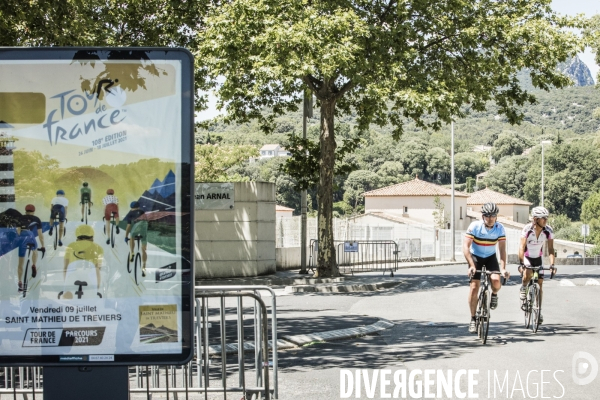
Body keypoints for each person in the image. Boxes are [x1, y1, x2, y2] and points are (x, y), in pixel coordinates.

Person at [463, 202, 510, 334]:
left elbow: (502, 249)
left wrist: (503, 268)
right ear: (483, 216)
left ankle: (494, 294)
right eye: (488, 216)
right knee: (474, 288)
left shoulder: (500, 228)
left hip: (490, 257)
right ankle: (473, 319)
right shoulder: (475, 226)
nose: (490, 219)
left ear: (496, 217)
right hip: (476, 257)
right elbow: (466, 247)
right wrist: (471, 265)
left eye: (493, 216)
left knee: (496, 281)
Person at [518, 206, 556, 324]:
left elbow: (550, 249)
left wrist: (552, 265)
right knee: (528, 273)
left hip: (538, 257)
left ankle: (539, 311)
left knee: (540, 284)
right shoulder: (527, 229)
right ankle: (524, 286)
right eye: (543, 218)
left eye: (546, 218)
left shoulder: (548, 231)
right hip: (527, 256)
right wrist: (521, 264)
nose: (545, 220)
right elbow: (521, 247)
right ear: (535, 219)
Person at [62, 224, 104, 299]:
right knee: (90, 299)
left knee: (68, 301)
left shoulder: (70, 246)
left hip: (72, 275)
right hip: (89, 276)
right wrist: (97, 289)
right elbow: (97, 269)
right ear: (91, 238)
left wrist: (66, 284)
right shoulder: (98, 248)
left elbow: (65, 267)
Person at [16, 205, 45, 291]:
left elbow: (18, 231)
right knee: (35, 251)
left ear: (25, 210)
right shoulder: (36, 219)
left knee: (20, 265)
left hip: (22, 239)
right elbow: (40, 235)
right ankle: (33, 265)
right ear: (34, 211)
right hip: (30, 237)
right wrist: (43, 246)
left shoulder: (20, 218)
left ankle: (20, 282)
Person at [124, 201, 148, 277]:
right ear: (138, 207)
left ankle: (132, 253)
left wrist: (126, 236)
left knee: (132, 236)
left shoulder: (130, 213)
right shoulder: (142, 211)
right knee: (143, 249)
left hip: (137, 225)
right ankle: (144, 268)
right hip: (145, 226)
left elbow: (128, 227)